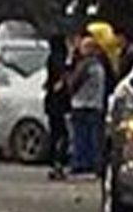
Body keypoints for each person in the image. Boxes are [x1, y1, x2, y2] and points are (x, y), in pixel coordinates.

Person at [66, 34, 107, 177]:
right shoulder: (100, 66)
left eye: (83, 47)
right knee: (94, 138)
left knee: (80, 137)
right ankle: (94, 164)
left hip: (81, 105)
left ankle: (81, 163)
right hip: (96, 105)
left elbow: (73, 84)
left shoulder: (85, 65)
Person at [45, 33, 72, 181]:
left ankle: (55, 163)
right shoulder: (59, 59)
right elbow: (61, 76)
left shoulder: (51, 58)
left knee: (56, 133)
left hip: (52, 102)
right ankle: (58, 163)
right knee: (62, 134)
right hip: (59, 103)